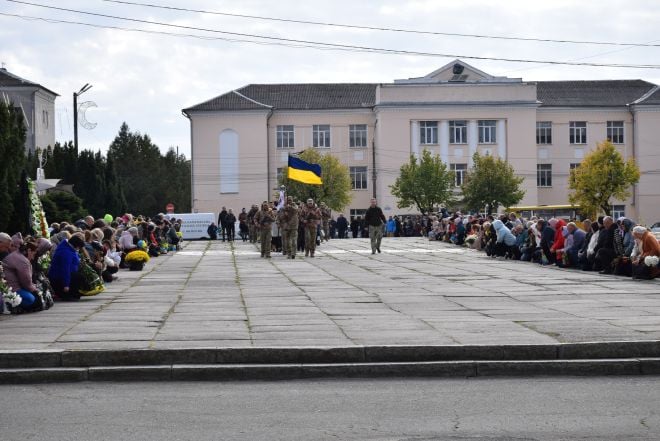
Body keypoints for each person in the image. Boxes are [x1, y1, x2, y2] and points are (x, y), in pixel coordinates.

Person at [2, 238, 42, 312]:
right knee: (31, 299)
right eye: (34, 254)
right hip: (12, 288)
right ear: (29, 251)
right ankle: (11, 305)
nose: (34, 257)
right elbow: (26, 281)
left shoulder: (18, 255)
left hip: (11, 286)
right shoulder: (22, 261)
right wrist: (36, 291)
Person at [48, 234, 85, 301]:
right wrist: (66, 285)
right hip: (59, 279)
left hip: (64, 276)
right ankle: (68, 295)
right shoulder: (66, 252)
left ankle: (73, 293)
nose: (78, 249)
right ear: (75, 246)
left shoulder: (68, 248)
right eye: (78, 247)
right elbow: (65, 269)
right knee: (77, 276)